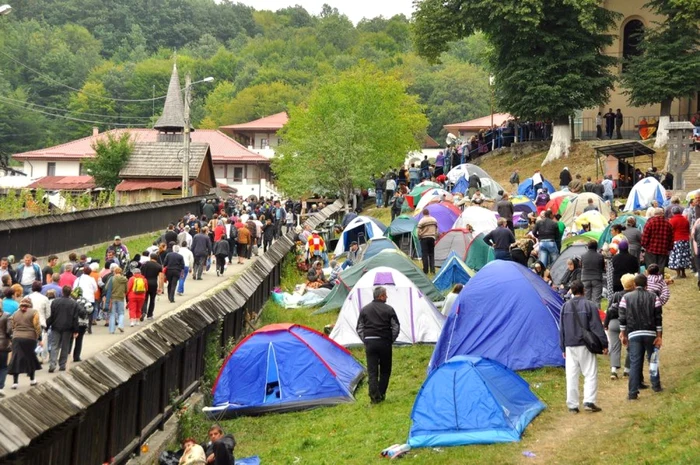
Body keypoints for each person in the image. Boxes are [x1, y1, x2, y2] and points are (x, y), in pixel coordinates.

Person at [559, 280, 608, 413]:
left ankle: (572, 405)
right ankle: (589, 401)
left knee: (571, 375)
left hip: (569, 344)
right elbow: (596, 327)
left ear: (572, 291)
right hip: (585, 344)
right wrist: (604, 343)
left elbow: (562, 328)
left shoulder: (565, 306)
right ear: (583, 290)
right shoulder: (589, 305)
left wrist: (562, 346)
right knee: (590, 372)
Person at [619, 274, 663, 399]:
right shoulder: (654, 297)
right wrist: (659, 335)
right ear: (646, 285)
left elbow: (622, 317)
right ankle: (656, 385)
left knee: (635, 362)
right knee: (652, 359)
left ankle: (632, 392)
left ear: (634, 284)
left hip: (634, 333)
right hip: (650, 333)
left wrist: (623, 333)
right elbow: (658, 318)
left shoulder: (626, 297)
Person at [356, 286, 400, 403]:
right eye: (385, 295)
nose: (387, 297)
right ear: (381, 296)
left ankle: (374, 397)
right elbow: (396, 327)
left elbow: (359, 328)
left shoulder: (365, 309)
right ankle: (381, 393)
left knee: (372, 371)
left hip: (370, 343)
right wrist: (390, 340)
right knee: (385, 370)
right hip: (384, 342)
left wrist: (366, 340)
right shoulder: (389, 309)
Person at [605, 273, 636, 380]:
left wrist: (605, 324)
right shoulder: (634, 296)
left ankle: (613, 371)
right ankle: (627, 371)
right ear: (633, 284)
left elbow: (608, 310)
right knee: (631, 347)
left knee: (614, 347)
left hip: (613, 323)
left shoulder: (616, 295)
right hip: (628, 324)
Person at [7, 297, 42, 389]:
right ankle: (32, 380)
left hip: (17, 338)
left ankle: (15, 382)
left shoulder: (15, 314)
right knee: (30, 357)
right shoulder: (34, 312)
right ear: (30, 304)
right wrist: (39, 336)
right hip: (30, 338)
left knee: (16, 358)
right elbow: (36, 325)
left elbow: (12, 326)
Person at [641, 208, 674, 273]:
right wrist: (669, 248)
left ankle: (651, 281)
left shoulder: (650, 223)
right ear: (662, 214)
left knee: (651, 267)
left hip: (651, 249)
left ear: (654, 214)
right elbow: (671, 237)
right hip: (663, 249)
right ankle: (659, 281)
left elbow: (645, 236)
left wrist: (644, 245)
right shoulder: (668, 224)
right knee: (661, 268)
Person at [668, 206, 691, 279]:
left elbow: (670, 231)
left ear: (672, 212)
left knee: (677, 257)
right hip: (685, 240)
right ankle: (683, 273)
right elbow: (688, 229)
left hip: (676, 240)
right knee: (683, 257)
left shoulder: (672, 220)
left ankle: (678, 274)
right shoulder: (685, 220)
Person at [104, 267, 127, 334]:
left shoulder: (112, 278)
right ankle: (120, 325)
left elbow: (106, 287)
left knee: (112, 314)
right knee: (121, 313)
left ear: (115, 272)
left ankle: (111, 330)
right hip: (120, 297)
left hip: (112, 298)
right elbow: (126, 289)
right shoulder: (124, 279)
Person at [581, 240, 604, 305]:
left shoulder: (583, 256)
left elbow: (581, 266)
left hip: (585, 279)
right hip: (597, 279)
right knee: (596, 300)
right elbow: (602, 268)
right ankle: (596, 314)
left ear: (588, 247)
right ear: (596, 247)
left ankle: (586, 313)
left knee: (586, 299)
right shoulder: (600, 256)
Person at [417, 208, 439, 274]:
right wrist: (435, 237)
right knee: (431, 254)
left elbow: (418, 231)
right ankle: (432, 270)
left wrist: (419, 237)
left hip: (424, 238)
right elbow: (437, 230)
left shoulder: (422, 221)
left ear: (423, 213)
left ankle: (425, 270)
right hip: (432, 238)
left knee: (425, 254)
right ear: (428, 213)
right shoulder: (434, 220)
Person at [0, 301, 10, 396]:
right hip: (3, 345)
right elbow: (9, 330)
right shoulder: (6, 315)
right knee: (3, 367)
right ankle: (0, 387)